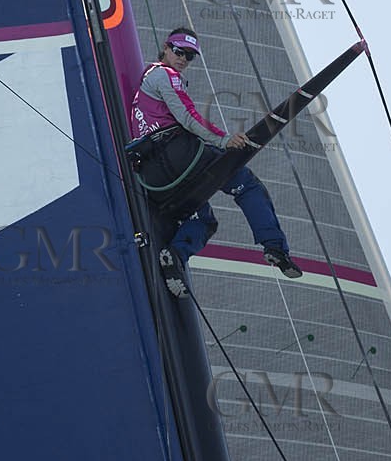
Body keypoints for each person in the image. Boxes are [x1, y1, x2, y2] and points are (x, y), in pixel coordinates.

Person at [129, 28, 302, 283]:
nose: (183, 59)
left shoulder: (145, 81)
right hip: (178, 156)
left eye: (190, 56)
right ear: (166, 48)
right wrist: (224, 139)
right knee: (246, 183)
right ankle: (275, 247)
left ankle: (174, 256)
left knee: (205, 219)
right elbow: (188, 117)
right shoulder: (166, 75)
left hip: (152, 178)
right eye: (179, 52)